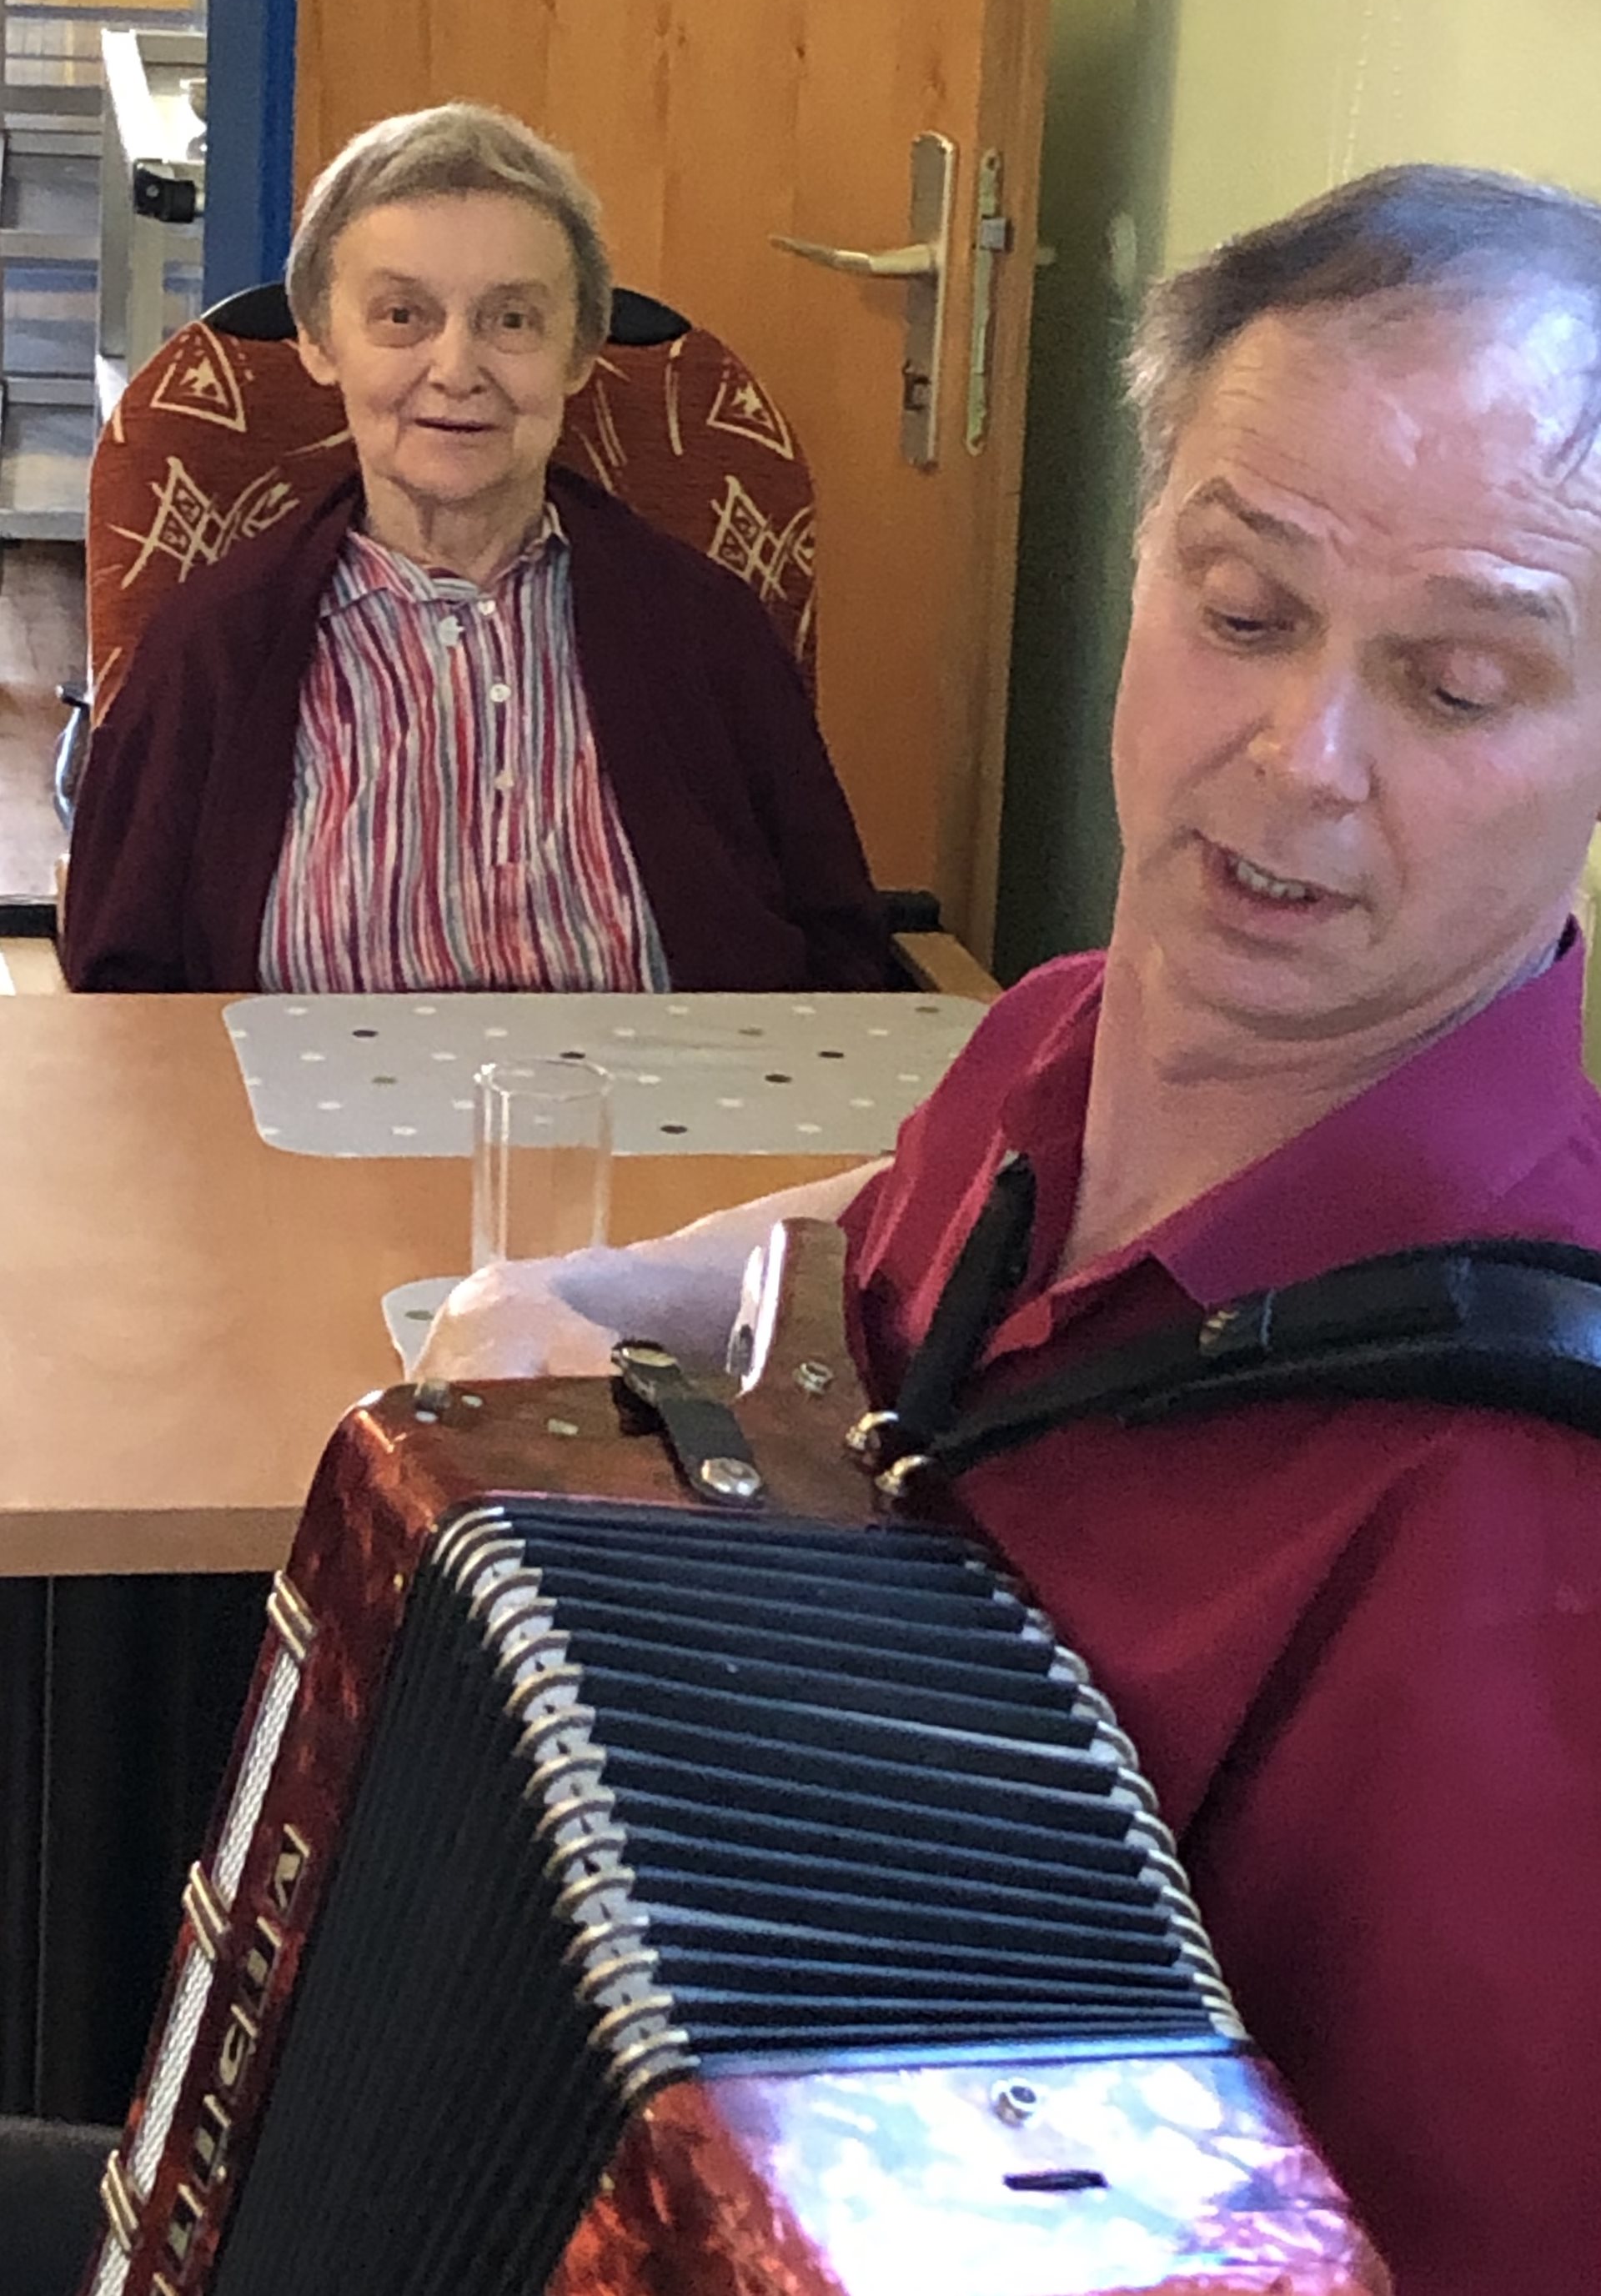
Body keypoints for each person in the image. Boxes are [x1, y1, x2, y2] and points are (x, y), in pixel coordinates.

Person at [416, 161, 1601, 2295]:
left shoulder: (1528, 1523)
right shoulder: (1058, 1033)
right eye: (1244, 612)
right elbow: (884, 1246)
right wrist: (585, 1292)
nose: (1301, 757)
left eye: (1456, 686)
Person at [62, 103, 887, 994]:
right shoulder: (212, 646)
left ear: (580, 352)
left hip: (665, 1087)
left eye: (513, 321)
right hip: (301, 1092)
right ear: (320, 341)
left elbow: (837, 957)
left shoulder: (708, 629)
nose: (457, 370)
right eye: (402, 315)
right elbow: (124, 990)